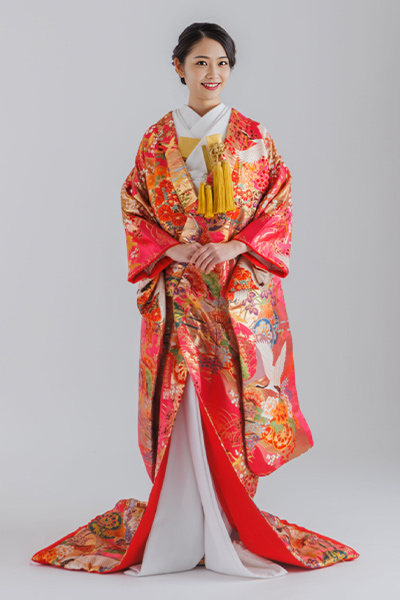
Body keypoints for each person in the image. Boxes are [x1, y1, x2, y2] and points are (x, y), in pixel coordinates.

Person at [31, 22, 359, 577]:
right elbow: (134, 205)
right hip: (179, 292)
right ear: (179, 67)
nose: (213, 74)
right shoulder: (156, 140)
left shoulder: (253, 136)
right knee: (180, 400)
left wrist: (233, 245)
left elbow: (277, 205)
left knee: (231, 403)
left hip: (234, 293)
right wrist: (172, 249)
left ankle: (227, 520)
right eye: (201, 62)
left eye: (222, 63)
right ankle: (181, 522)